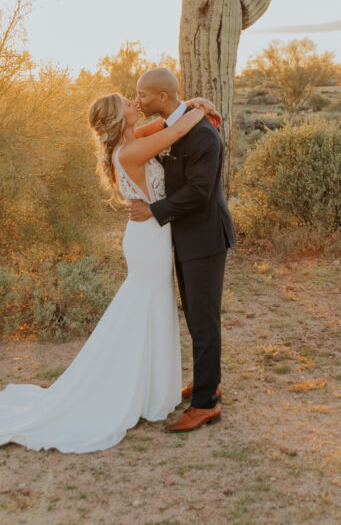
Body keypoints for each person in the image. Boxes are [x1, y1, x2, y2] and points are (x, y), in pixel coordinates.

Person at [0, 91, 214, 454]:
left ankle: (152, 389)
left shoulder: (134, 139)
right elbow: (178, 129)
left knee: (151, 307)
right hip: (148, 239)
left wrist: (194, 103)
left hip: (149, 235)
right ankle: (142, 390)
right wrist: (199, 107)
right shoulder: (131, 150)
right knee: (147, 308)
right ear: (116, 119)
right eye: (126, 103)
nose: (134, 104)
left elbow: (170, 122)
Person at [128, 68, 236, 433]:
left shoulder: (204, 134)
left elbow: (199, 191)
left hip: (204, 238)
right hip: (185, 237)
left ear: (160, 97)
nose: (137, 99)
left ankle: (206, 403)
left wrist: (152, 211)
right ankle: (210, 380)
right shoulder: (173, 125)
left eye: (142, 94)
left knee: (204, 320)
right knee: (195, 316)